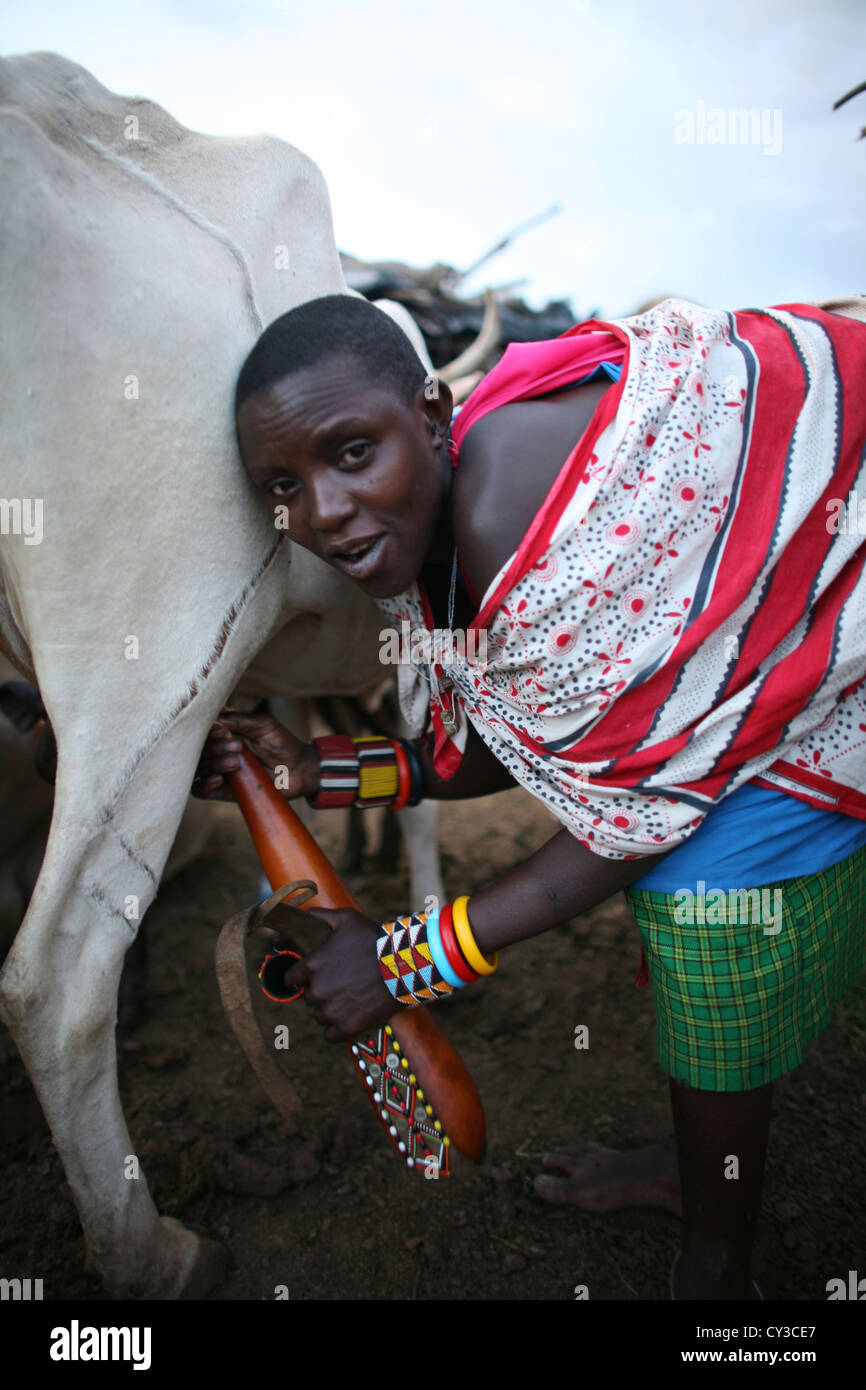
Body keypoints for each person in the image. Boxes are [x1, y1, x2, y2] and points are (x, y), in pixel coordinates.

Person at [193, 292, 866, 1300]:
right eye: (281, 486)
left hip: (832, 597)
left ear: (428, 418)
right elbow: (489, 750)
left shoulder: (506, 512)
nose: (321, 514)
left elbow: (630, 823)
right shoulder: (442, 543)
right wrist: (314, 768)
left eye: (348, 454)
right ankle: (697, 1170)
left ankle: (718, 1268)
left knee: (701, 899)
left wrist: (397, 965)